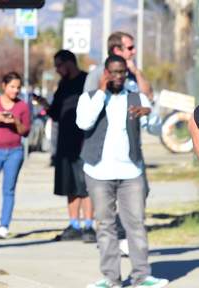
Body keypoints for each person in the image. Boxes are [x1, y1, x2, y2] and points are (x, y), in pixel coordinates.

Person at [77, 55, 168, 288]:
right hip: (98, 172)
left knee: (135, 224)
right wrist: (100, 92)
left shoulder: (136, 98)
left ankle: (142, 276)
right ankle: (111, 278)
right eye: (113, 72)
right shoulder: (89, 97)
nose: (118, 77)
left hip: (131, 173)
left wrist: (150, 114)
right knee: (105, 226)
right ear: (105, 73)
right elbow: (84, 122)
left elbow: (158, 129)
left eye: (122, 72)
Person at [83, 31, 154, 256]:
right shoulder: (97, 75)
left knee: (138, 204)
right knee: (106, 215)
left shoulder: (130, 75)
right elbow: (88, 112)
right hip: (102, 156)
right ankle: (112, 253)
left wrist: (134, 70)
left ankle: (132, 254)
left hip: (131, 156)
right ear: (116, 50)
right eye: (129, 47)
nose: (133, 51)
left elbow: (148, 97)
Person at [34, 50, 95, 243]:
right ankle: (74, 224)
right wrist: (44, 104)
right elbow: (56, 114)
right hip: (65, 143)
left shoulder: (87, 81)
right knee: (70, 185)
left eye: (60, 65)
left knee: (86, 186)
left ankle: (89, 225)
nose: (58, 70)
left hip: (85, 142)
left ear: (70, 63)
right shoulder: (63, 85)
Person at [0, 72, 31, 239]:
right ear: (3, 86)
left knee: (8, 190)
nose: (15, 90)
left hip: (14, 152)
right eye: (12, 87)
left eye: (18, 87)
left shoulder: (22, 106)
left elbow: (26, 132)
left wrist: (16, 121)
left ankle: (4, 226)